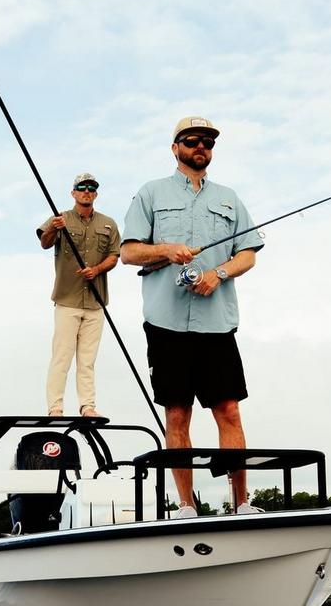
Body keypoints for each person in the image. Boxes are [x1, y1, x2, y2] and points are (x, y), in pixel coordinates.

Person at [120, 117, 264, 516]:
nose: (200, 146)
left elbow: (248, 253)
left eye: (207, 142)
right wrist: (166, 250)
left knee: (229, 411)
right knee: (177, 413)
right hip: (165, 323)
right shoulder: (150, 193)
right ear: (175, 147)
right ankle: (185, 505)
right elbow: (129, 253)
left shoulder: (229, 198)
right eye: (192, 140)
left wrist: (218, 274)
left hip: (217, 323)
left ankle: (242, 503)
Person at [38, 173, 121, 418]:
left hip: (96, 302)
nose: (86, 191)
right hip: (67, 300)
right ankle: (55, 407)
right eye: (81, 187)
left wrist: (96, 270)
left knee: (87, 360)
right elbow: (44, 242)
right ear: (73, 192)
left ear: (96, 193)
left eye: (91, 188)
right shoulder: (60, 218)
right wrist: (53, 229)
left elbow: (114, 256)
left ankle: (88, 406)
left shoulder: (108, 224)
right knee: (62, 356)